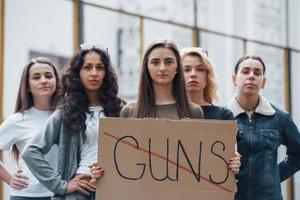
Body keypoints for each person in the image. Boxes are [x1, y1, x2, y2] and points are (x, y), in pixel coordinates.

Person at [22, 44, 124, 199]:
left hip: (115, 190)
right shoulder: (66, 113)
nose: (94, 73)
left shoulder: (122, 109)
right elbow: (30, 152)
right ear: (78, 73)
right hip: (80, 193)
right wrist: (61, 185)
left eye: (100, 67)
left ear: (107, 73)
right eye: (87, 67)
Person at [227, 55, 300, 200]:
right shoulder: (223, 118)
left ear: (264, 82)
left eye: (257, 72)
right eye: (246, 71)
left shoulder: (280, 117)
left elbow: (298, 153)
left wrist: (274, 177)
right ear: (234, 79)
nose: (251, 76)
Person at [0, 57, 61, 199]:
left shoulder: (67, 117)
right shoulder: (18, 120)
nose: (44, 80)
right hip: (27, 195)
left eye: (48, 76)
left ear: (56, 81)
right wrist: (10, 178)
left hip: (61, 194)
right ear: (27, 86)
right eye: (36, 77)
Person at [180, 47, 240, 174]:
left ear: (208, 76)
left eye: (200, 69)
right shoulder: (167, 113)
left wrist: (235, 163)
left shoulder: (224, 116)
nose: (193, 74)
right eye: (186, 69)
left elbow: (231, 155)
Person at [121, 39, 203, 119]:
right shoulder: (129, 111)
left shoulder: (194, 111)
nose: (162, 68)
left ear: (178, 67)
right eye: (155, 62)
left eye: (169, 62)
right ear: (147, 68)